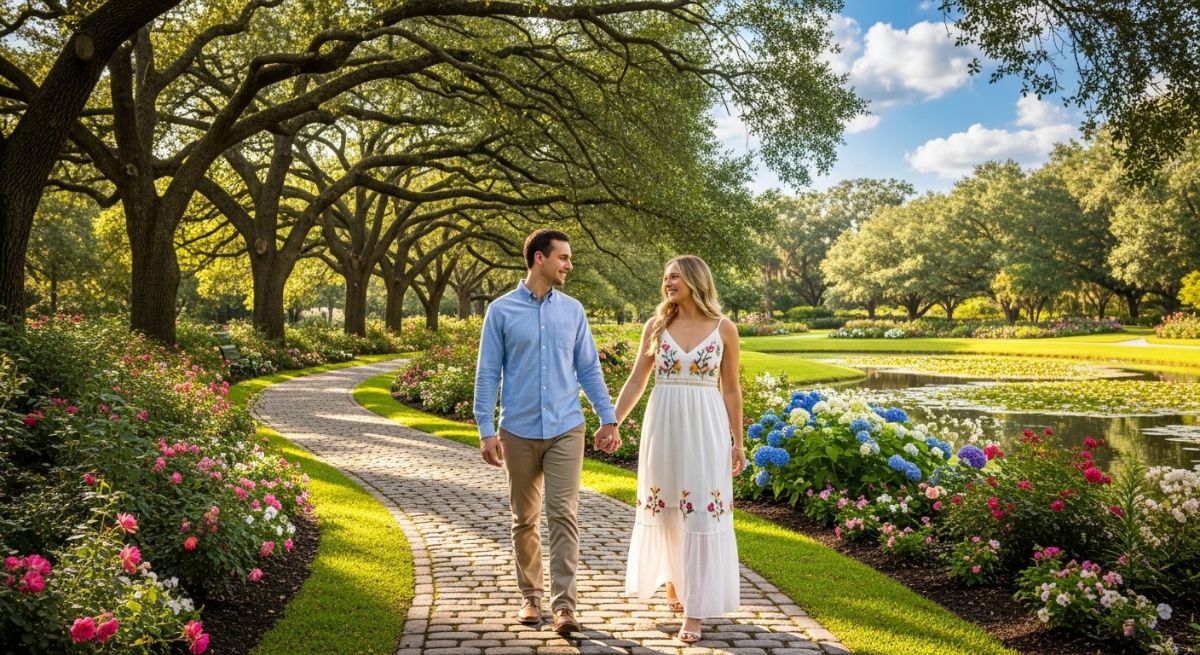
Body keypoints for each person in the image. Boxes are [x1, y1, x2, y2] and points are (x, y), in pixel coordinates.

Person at [473, 228, 623, 636]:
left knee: (563, 516)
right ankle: (530, 597)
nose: (569, 265)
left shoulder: (572, 311)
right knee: (524, 519)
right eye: (564, 258)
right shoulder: (501, 312)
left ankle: (564, 607)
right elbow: (487, 373)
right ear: (540, 258)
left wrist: (607, 418)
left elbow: (589, 368)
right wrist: (486, 429)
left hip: (565, 428)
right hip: (517, 431)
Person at [613, 254, 745, 643]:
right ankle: (674, 581)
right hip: (664, 422)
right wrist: (612, 422)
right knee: (668, 503)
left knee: (700, 511)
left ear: (694, 280)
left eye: (674, 277)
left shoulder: (724, 329)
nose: (667, 283)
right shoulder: (657, 326)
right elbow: (637, 379)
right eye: (665, 277)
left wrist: (738, 442)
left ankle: (695, 611)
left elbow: (732, 389)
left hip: (706, 425)